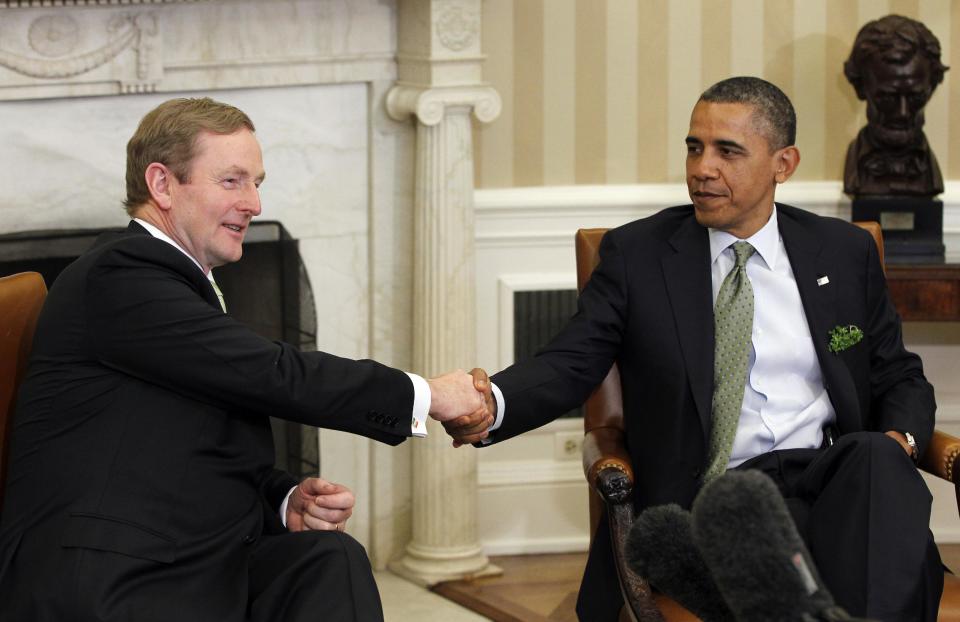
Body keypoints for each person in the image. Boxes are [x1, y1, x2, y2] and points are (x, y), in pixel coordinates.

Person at [451, 77, 940, 621]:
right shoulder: (638, 256)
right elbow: (571, 360)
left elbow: (898, 374)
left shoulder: (842, 251)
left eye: (727, 151)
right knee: (869, 563)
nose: (701, 168)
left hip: (828, 483)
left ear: (784, 163)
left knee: (875, 458)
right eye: (694, 146)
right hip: (712, 499)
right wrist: (494, 401)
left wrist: (899, 440)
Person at [0, 97, 492, 622]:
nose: (254, 204)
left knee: (328, 558)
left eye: (257, 182)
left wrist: (283, 501)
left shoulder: (179, 286)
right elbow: (273, 373)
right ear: (162, 184)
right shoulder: (119, 277)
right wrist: (428, 396)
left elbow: (190, 447)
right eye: (232, 181)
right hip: (113, 578)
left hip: (188, 556)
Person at [843, 14, 948, 197]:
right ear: (861, 87)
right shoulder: (856, 170)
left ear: (931, 88)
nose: (903, 113)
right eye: (887, 98)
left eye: (916, 97)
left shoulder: (930, 173)